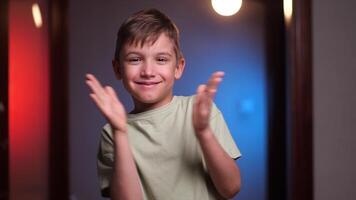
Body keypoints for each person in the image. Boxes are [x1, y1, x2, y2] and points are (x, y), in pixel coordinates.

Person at [85, 8, 242, 200]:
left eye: (161, 59)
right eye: (135, 59)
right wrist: (120, 131)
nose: (148, 71)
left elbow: (231, 188)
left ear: (178, 67)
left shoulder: (199, 112)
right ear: (118, 69)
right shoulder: (111, 133)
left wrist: (204, 132)